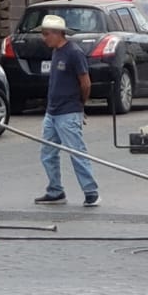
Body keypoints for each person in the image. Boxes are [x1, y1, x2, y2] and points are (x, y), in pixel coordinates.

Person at [34, 14, 100, 207]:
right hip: (52, 112)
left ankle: (91, 191)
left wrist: (80, 106)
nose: (43, 38)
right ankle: (55, 190)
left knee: (77, 152)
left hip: (68, 111)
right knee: (47, 153)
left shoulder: (74, 53)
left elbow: (85, 83)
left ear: (57, 34)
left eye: (46, 34)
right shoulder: (56, 52)